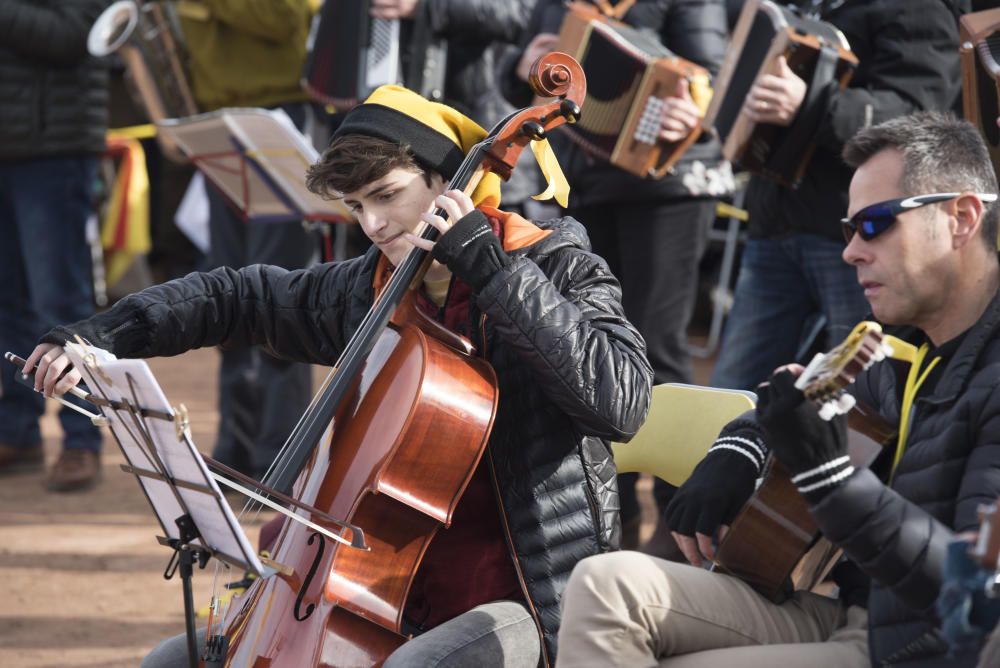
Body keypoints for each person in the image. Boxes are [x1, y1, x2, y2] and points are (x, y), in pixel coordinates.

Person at [23, 85, 653, 666]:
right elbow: (236, 297)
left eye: (387, 195)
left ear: (450, 184)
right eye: (357, 206)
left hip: (524, 596)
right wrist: (103, 333)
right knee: (173, 660)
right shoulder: (372, 290)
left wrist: (493, 273)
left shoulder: (555, 262)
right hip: (381, 593)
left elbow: (620, 403)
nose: (373, 226)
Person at [555, 111, 1000, 666]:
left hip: (922, 646)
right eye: (847, 228)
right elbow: (792, 393)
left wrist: (832, 480)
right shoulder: (904, 343)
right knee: (604, 584)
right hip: (853, 612)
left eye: (875, 223)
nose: (850, 251)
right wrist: (740, 446)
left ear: (962, 218)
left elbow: (978, 596)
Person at [502, 0, 732, 550]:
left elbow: (719, 82)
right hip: (584, 182)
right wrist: (520, 63)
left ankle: (682, 527)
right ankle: (611, 515)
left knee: (658, 350)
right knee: (588, 350)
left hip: (669, 188)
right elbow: (524, 90)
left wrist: (694, 112)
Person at [708, 0, 967, 393]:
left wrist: (812, 101)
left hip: (858, 233)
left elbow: (919, 119)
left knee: (853, 395)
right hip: (774, 220)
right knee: (734, 391)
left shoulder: (922, 7)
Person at [176, 0, 321, 480]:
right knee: (225, 285)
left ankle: (279, 451)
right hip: (218, 120)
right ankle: (235, 445)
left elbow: (286, 20)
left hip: (275, 117)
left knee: (276, 291)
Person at [0, 0, 111, 491]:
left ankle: (81, 439)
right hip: (10, 146)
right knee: (7, 303)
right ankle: (18, 431)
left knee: (62, 304)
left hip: (53, 149)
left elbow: (73, 36)